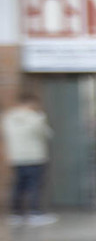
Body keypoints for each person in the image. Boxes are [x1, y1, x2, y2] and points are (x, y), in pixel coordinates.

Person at [3, 91, 57, 227]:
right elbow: (47, 134)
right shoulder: (35, 117)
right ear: (31, 103)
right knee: (35, 185)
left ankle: (16, 214)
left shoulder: (8, 117)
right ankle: (35, 213)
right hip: (34, 156)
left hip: (16, 157)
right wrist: (41, 118)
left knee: (18, 186)